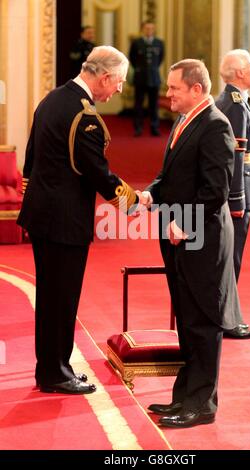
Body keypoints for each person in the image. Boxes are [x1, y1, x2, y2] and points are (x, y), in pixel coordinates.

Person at [17, 46, 144, 394]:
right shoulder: (83, 115)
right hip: (64, 222)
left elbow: (30, 162)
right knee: (62, 298)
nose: (118, 90)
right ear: (104, 77)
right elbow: (97, 174)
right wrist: (134, 201)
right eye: (118, 82)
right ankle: (55, 373)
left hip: (43, 214)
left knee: (51, 297)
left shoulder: (53, 98)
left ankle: (53, 367)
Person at [139, 59, 239, 428]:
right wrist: (151, 195)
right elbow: (169, 175)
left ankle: (202, 404)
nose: (167, 95)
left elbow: (215, 192)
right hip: (180, 237)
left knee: (203, 321)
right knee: (187, 319)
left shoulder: (215, 126)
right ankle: (184, 396)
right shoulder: (184, 122)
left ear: (196, 89)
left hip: (202, 240)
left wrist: (184, 222)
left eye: (174, 89)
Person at [216, 49, 250, 339]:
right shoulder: (233, 105)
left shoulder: (238, 101)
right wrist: (237, 200)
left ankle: (227, 315)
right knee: (232, 259)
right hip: (238, 194)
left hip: (243, 190)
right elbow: (235, 155)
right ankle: (228, 320)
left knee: (233, 257)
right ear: (240, 73)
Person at [129, 21, 164, 137]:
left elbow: (160, 59)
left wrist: (152, 70)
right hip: (140, 77)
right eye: (147, 28)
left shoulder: (159, 43)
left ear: (154, 30)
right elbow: (132, 59)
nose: (149, 30)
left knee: (154, 105)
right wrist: (141, 69)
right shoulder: (136, 43)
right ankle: (138, 128)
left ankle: (154, 127)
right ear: (143, 29)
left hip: (154, 78)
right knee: (138, 104)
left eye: (151, 28)